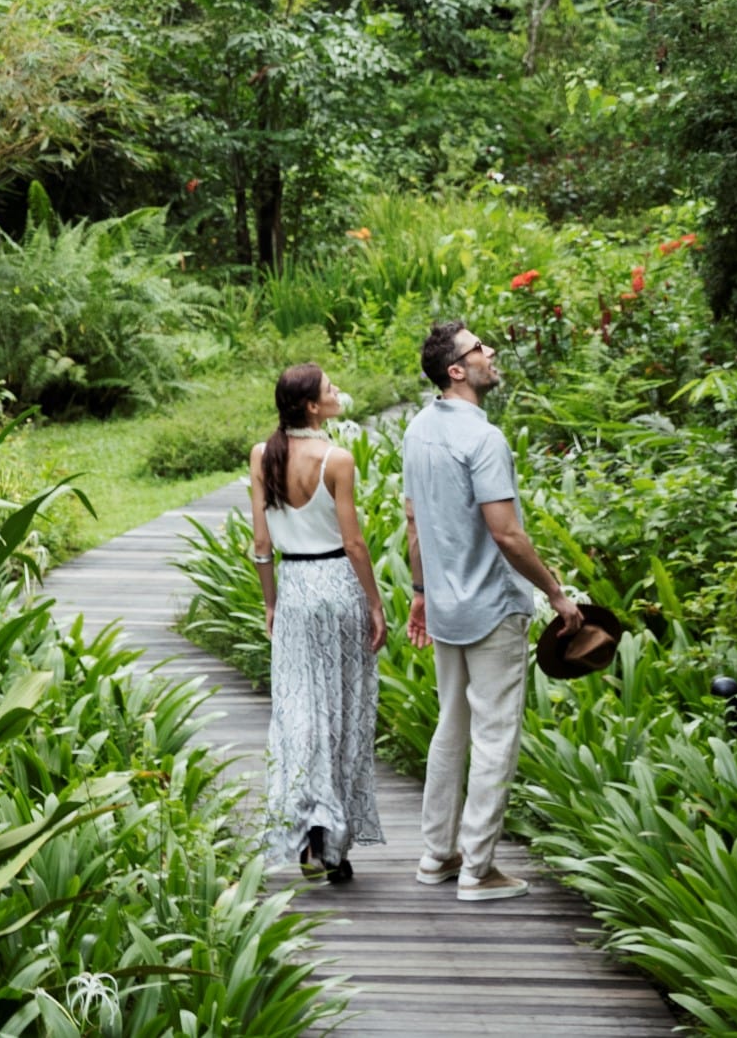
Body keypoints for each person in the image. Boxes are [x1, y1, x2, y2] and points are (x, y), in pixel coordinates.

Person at [401, 321, 585, 902]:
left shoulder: (418, 430)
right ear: (457, 370)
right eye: (479, 348)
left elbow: (413, 522)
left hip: (448, 608)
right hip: (491, 608)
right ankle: (478, 869)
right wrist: (556, 593)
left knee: (450, 727)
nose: (490, 353)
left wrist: (421, 592)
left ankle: (438, 855)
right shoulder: (485, 440)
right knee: (496, 735)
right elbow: (506, 535)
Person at [250, 363, 385, 883]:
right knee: (343, 708)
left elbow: (262, 545)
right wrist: (374, 603)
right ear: (311, 406)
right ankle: (333, 842)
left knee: (299, 712)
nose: (337, 393)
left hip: (297, 591)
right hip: (338, 587)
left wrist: (270, 602)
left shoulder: (264, 455)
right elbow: (354, 543)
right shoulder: (337, 458)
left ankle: (306, 826)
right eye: (329, 389)